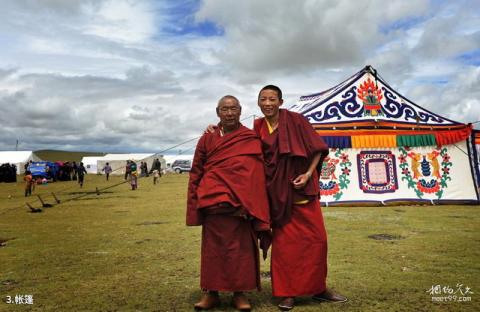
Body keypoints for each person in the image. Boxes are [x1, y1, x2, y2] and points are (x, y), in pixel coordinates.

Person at [255, 85, 347, 310]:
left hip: (303, 193)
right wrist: (215, 129)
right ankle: (288, 293)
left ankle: (318, 288)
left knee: (318, 242)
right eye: (263, 99)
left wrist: (308, 174)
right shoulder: (257, 126)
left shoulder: (297, 120)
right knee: (286, 248)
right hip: (277, 195)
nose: (268, 103)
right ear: (258, 103)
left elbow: (318, 148)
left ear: (281, 101)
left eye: (272, 99)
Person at [187, 95, 271, 311]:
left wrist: (251, 202)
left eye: (234, 109)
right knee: (213, 252)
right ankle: (211, 293)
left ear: (241, 111)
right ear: (218, 113)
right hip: (214, 203)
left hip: (241, 205)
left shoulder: (250, 138)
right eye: (225, 109)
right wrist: (194, 204)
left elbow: (256, 173)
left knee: (240, 252)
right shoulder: (207, 138)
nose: (230, 113)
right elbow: (196, 171)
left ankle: (239, 294)